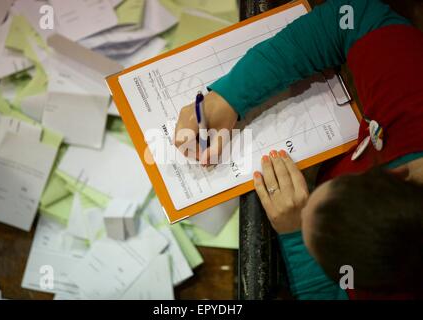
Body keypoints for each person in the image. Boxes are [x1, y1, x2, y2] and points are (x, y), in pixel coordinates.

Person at [174, 0, 423, 299]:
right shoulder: (414, 104)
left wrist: (294, 235)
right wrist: (229, 96)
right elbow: (347, 19)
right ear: (399, 173)